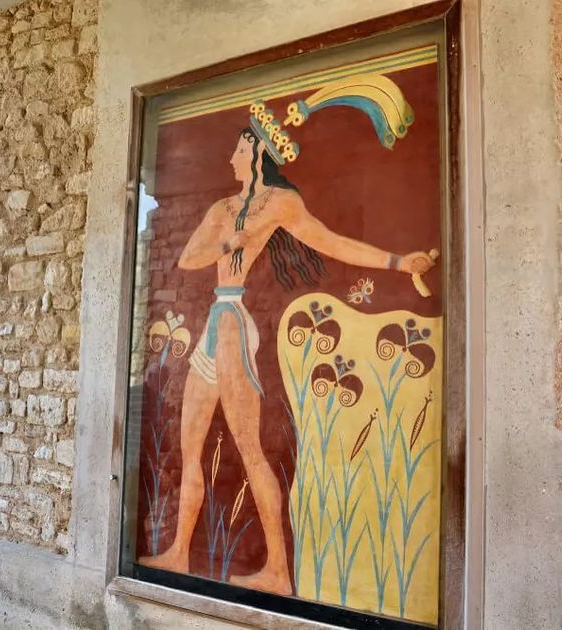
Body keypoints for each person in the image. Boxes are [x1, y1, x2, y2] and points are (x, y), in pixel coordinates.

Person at [139, 128, 436, 595]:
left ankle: (278, 570)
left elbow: (330, 242)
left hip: (234, 325)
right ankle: (178, 552)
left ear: (259, 153)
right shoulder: (222, 209)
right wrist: (228, 243)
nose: (232, 157)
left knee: (249, 449)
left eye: (240, 148)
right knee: (189, 445)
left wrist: (398, 263)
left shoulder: (280, 203)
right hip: (215, 319)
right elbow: (187, 259)